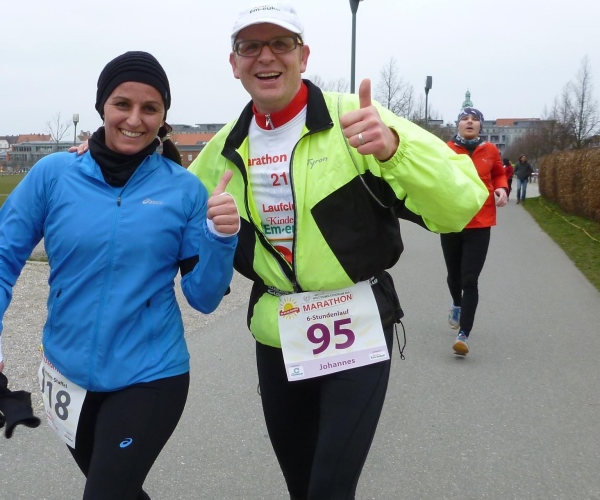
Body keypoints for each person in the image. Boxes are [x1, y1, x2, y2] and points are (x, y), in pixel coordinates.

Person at [189, 3, 488, 498]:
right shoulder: (221, 150)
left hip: (356, 325)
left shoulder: (357, 118)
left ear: (303, 56)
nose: (266, 56)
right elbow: (161, 208)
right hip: (279, 333)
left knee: (329, 489)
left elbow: (461, 203)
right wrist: (97, 158)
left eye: (281, 44)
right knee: (301, 484)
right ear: (234, 62)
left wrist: (395, 150)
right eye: (251, 46)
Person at [0, 51, 239, 500]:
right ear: (101, 106)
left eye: (150, 108)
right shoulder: (54, 174)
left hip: (150, 375)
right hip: (66, 377)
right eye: (122, 104)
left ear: (163, 116)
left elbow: (203, 298)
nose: (135, 119)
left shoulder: (183, 189)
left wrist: (222, 238)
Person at [442, 107, 508, 356]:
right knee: (454, 276)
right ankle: (456, 304)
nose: (469, 122)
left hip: (480, 223)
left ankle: (464, 335)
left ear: (480, 125)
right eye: (464, 119)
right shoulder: (446, 149)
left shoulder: (490, 150)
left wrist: (501, 189)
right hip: (451, 221)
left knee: (469, 280)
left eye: (474, 119)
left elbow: (499, 174)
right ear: (458, 124)